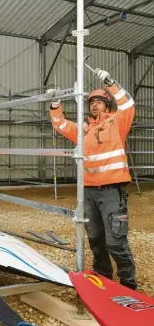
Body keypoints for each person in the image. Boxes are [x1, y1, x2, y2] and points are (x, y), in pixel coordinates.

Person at [48, 68, 136, 290]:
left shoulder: (117, 122)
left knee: (116, 242)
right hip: (88, 193)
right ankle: (104, 277)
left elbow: (128, 105)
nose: (94, 105)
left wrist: (110, 82)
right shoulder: (84, 129)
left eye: (98, 101)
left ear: (107, 104)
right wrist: (55, 104)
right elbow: (60, 125)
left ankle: (128, 283)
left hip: (111, 193)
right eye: (91, 102)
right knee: (96, 240)